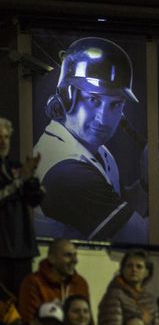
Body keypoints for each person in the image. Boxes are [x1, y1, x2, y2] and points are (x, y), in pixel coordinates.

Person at [33, 37, 150, 241]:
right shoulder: (66, 171)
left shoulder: (94, 150)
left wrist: (147, 183)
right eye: (93, 99)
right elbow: (144, 238)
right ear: (67, 95)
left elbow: (119, 205)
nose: (103, 118)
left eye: (115, 105)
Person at [0, 117, 44, 297]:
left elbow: (35, 200)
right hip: (1, 250)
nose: (3, 142)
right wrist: (19, 181)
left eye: (6, 137)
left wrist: (32, 178)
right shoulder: (17, 174)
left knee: (22, 304)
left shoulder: (15, 167)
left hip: (21, 250)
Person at [97, 250, 159, 325]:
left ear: (147, 272)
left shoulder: (150, 300)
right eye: (129, 266)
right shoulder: (115, 295)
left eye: (139, 266)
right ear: (123, 270)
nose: (133, 269)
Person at [19, 238, 89, 322]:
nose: (75, 260)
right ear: (52, 259)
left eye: (75, 255)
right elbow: (30, 322)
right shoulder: (33, 282)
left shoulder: (80, 283)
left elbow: (87, 320)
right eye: (68, 255)